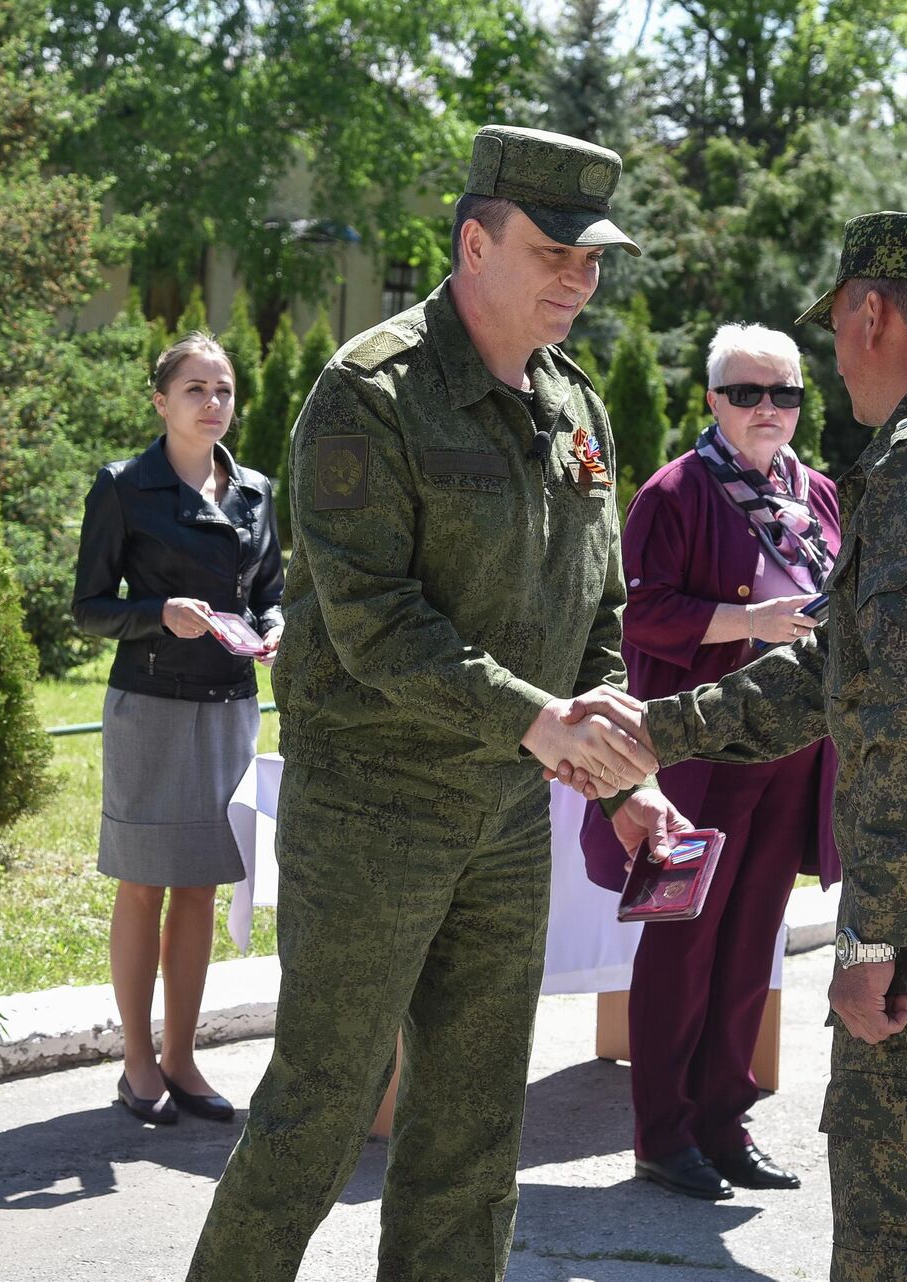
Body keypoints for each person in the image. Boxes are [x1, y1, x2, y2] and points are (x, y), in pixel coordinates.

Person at [570, 212, 907, 1282]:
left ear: (872, 312)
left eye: (831, 336)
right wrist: (660, 726)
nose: (818, 376)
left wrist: (872, 944)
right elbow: (846, 667)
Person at [185, 125, 671, 1281]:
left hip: (507, 819)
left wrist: (624, 773)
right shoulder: (372, 392)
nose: (581, 278)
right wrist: (531, 718)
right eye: (556, 250)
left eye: (594, 257)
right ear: (473, 241)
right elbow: (372, 620)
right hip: (375, 811)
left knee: (472, 1130)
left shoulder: (576, 406)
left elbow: (602, 608)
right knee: (318, 1114)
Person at [577, 323, 842, 1201]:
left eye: (785, 394)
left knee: (753, 943)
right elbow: (637, 614)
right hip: (700, 758)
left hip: (794, 753)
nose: (769, 410)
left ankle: (726, 1123)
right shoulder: (675, 491)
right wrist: (749, 625)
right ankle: (664, 1135)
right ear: (712, 401)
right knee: (682, 944)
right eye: (747, 393)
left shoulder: (823, 496)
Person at [71, 332, 285, 1126]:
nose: (213, 403)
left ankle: (182, 1058)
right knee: (145, 881)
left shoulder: (258, 491)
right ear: (161, 400)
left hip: (230, 706)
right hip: (152, 709)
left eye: (224, 389)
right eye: (195, 389)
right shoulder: (126, 487)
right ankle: (137, 1062)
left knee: (201, 882)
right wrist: (157, 615)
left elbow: (272, 589)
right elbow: (87, 609)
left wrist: (275, 628)